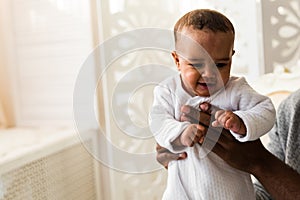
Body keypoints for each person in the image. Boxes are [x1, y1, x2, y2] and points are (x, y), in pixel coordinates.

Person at [149, 9, 276, 199]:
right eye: (197, 64)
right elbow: (158, 120)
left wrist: (242, 121)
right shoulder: (168, 91)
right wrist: (179, 132)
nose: (209, 74)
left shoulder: (236, 89)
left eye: (220, 65)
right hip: (182, 192)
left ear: (231, 57)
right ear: (177, 60)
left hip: (231, 193)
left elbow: (266, 111)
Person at [156, 93, 300, 200]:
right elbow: (267, 196)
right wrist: (191, 169)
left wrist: (259, 162)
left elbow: (261, 164)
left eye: (221, 64)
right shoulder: (291, 110)